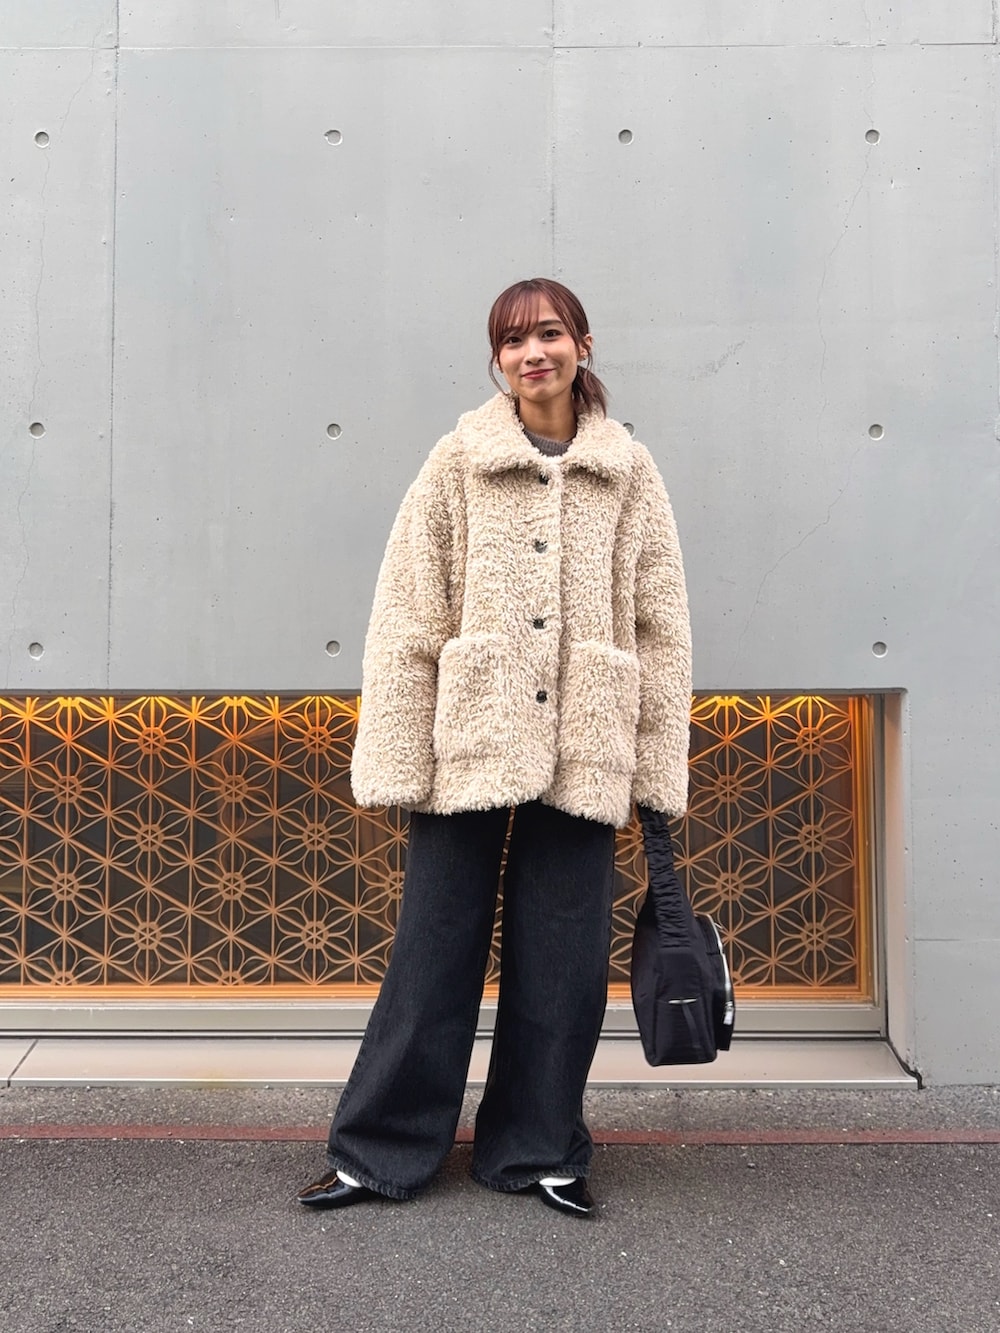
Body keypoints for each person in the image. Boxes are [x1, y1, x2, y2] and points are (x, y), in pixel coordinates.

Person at [297, 278, 692, 1218]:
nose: (532, 353)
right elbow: (408, 609)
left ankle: (538, 1147)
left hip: (587, 735)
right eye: (513, 341)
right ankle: (379, 1150)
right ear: (498, 360)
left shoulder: (629, 470)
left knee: (564, 957)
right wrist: (399, 754)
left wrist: (654, 765)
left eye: (549, 333)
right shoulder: (458, 461)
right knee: (432, 949)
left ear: (583, 345)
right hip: (471, 734)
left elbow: (661, 624)